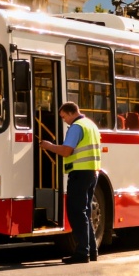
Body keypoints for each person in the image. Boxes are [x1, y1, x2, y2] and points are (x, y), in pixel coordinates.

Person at [41, 102, 101, 264]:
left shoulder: (76, 127)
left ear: (71, 113)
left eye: (64, 117)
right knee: (85, 212)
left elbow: (67, 151)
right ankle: (92, 250)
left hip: (80, 174)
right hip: (92, 173)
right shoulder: (90, 125)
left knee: (76, 213)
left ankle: (82, 252)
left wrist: (49, 146)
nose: (64, 120)